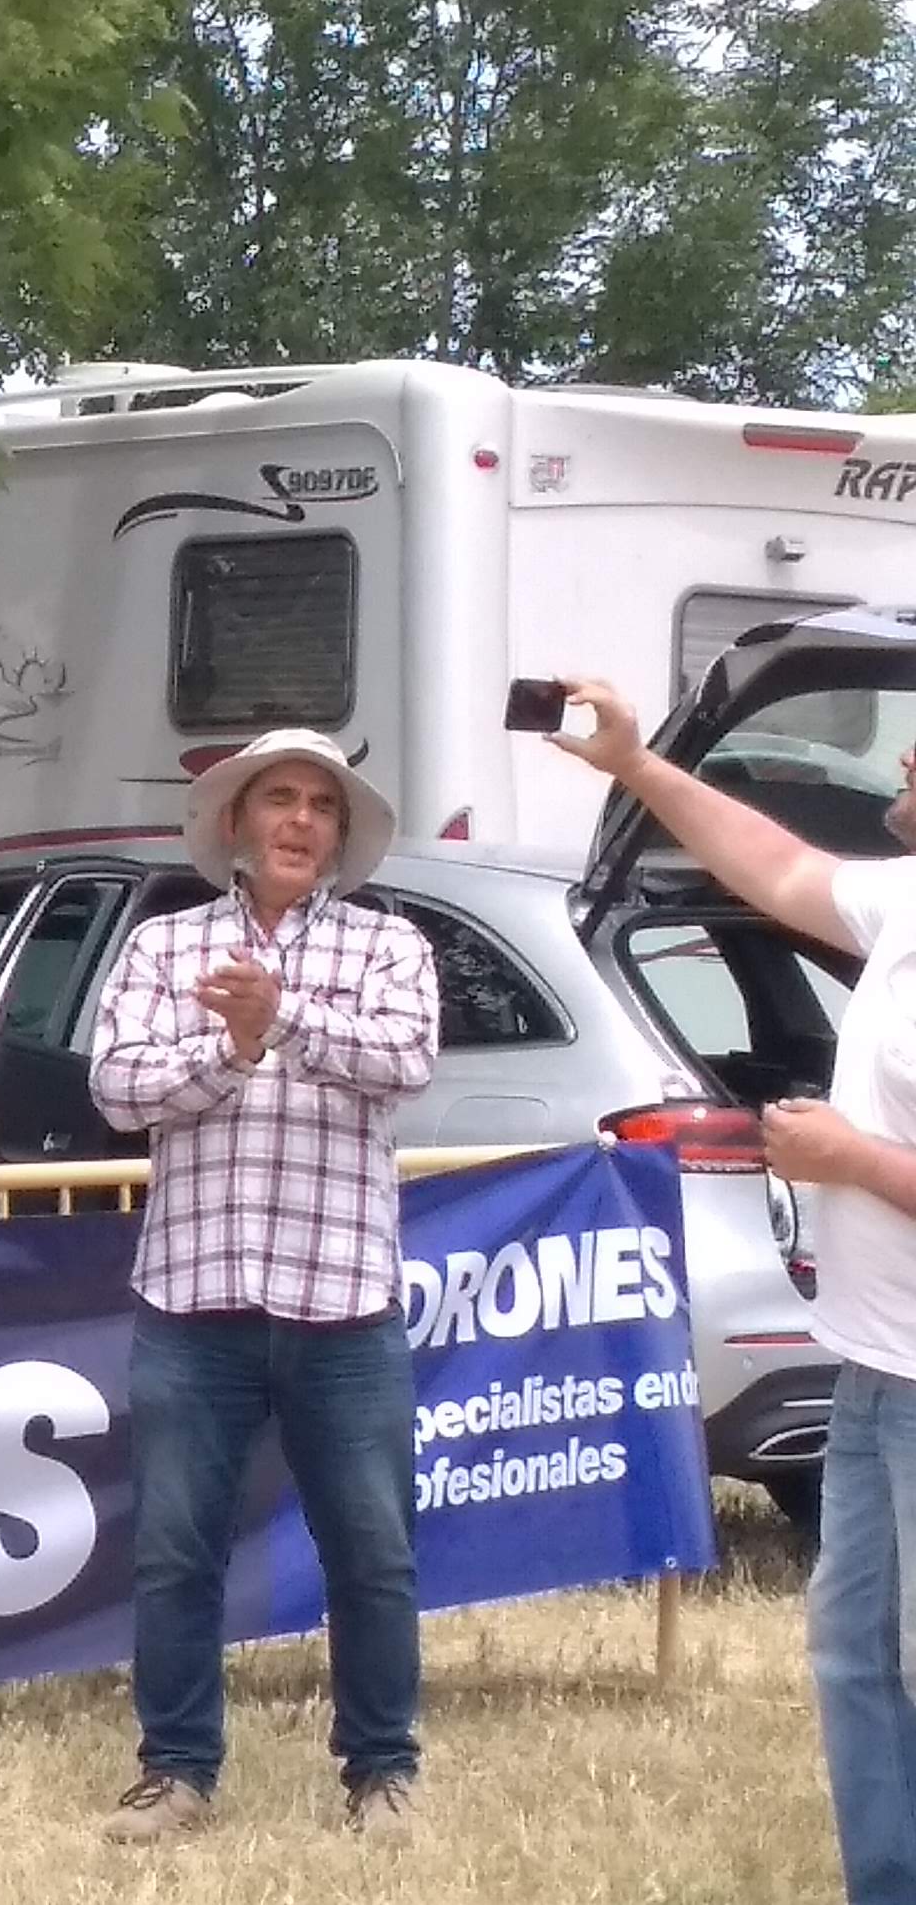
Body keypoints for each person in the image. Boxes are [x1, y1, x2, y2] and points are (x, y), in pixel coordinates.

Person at [547, 676, 916, 1902]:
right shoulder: (903, 899)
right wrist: (633, 765)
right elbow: (776, 867)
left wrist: (847, 1160)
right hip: (872, 1373)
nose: (901, 764)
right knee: (855, 1662)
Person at [83, 729, 441, 1844]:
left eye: (320, 806)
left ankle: (381, 1773)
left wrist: (276, 1018)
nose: (298, 820)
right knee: (173, 1554)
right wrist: (231, 1054)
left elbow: (406, 1063)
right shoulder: (162, 944)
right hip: (194, 1299)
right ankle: (176, 1773)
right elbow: (115, 1089)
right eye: (278, 799)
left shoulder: (389, 945)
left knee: (371, 1553)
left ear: (339, 834)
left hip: (342, 1302)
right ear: (236, 822)